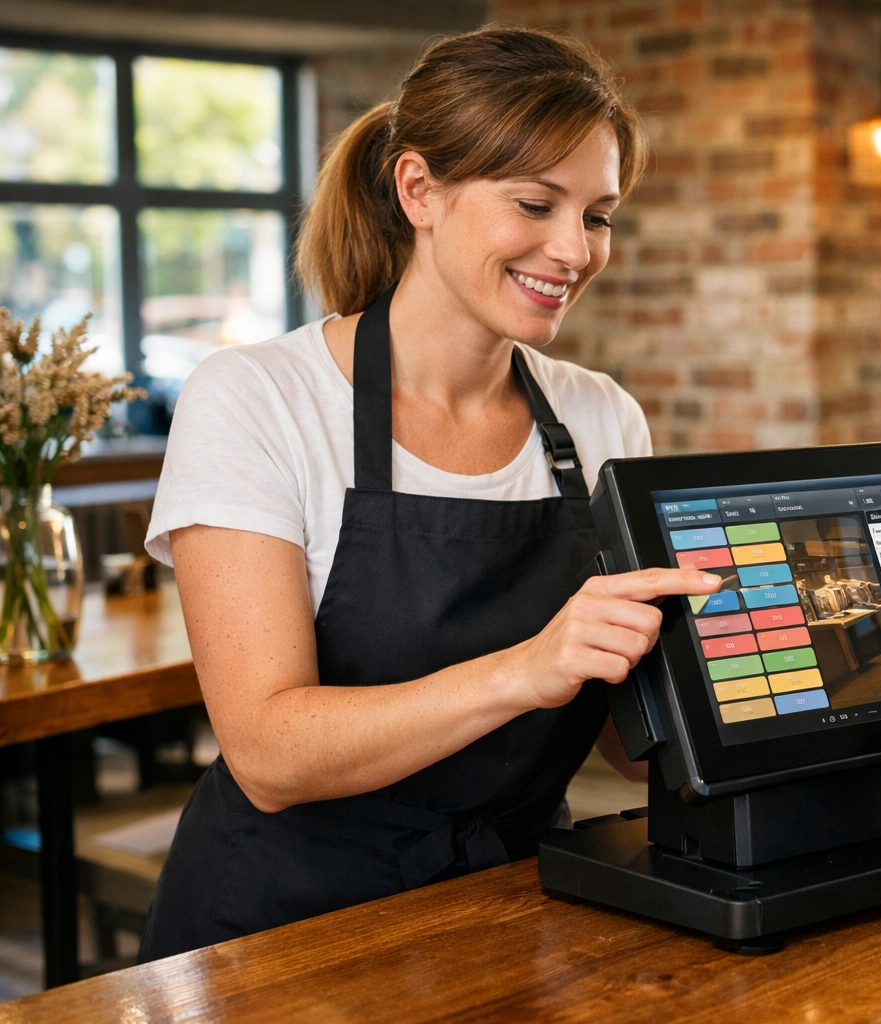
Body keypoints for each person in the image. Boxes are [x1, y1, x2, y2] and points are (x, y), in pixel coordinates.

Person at [136, 27, 721, 960]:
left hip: (514, 909)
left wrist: (788, 684)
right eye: (536, 203)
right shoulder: (259, 399)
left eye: (599, 215)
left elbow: (629, 740)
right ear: (420, 191)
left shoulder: (601, 418)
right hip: (285, 932)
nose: (574, 249)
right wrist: (524, 671)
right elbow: (269, 751)